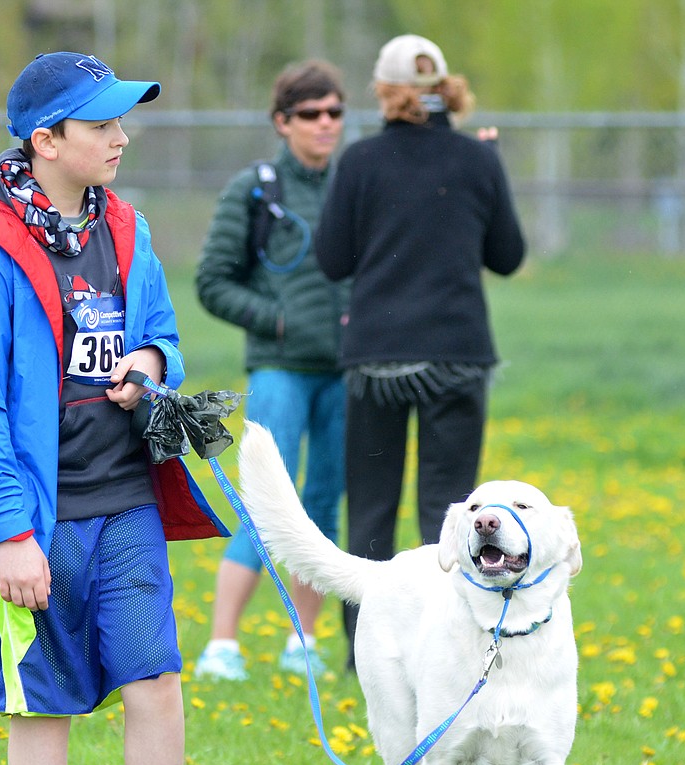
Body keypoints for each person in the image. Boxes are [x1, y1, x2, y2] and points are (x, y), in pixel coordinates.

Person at [0, 52, 237, 765]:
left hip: (128, 502)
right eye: (101, 124)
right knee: (44, 704)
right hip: (40, 519)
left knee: (156, 679)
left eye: (120, 121)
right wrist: (9, 534)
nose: (120, 137)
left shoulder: (127, 228)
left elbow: (160, 334)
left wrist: (149, 363)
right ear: (46, 140)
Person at [315, 35, 527, 670]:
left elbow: (332, 260)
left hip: (377, 355)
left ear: (383, 90)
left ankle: (366, 654)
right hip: (456, 353)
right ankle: (456, 647)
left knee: (372, 508)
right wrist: (484, 171)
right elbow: (508, 257)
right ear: (447, 88)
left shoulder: (359, 162)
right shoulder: (477, 159)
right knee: (451, 509)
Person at [193, 60, 349, 682]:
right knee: (264, 503)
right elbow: (212, 281)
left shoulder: (353, 183)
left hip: (345, 373)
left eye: (335, 112)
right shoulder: (253, 190)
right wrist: (277, 322)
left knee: (322, 508)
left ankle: (302, 642)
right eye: (311, 114)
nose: (325, 125)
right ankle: (222, 646)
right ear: (283, 122)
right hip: (281, 371)